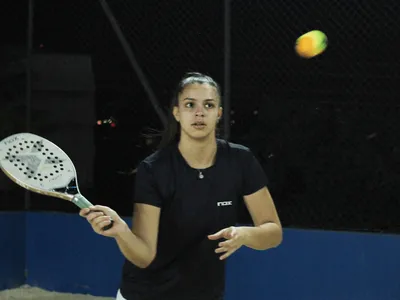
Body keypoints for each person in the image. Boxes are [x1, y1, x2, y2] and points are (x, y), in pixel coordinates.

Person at [80, 72, 283, 300]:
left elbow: (273, 233)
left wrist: (244, 234)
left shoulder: (240, 160)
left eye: (208, 105)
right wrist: (122, 233)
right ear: (177, 113)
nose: (199, 112)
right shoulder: (154, 169)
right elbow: (144, 256)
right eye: (189, 105)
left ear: (219, 113)